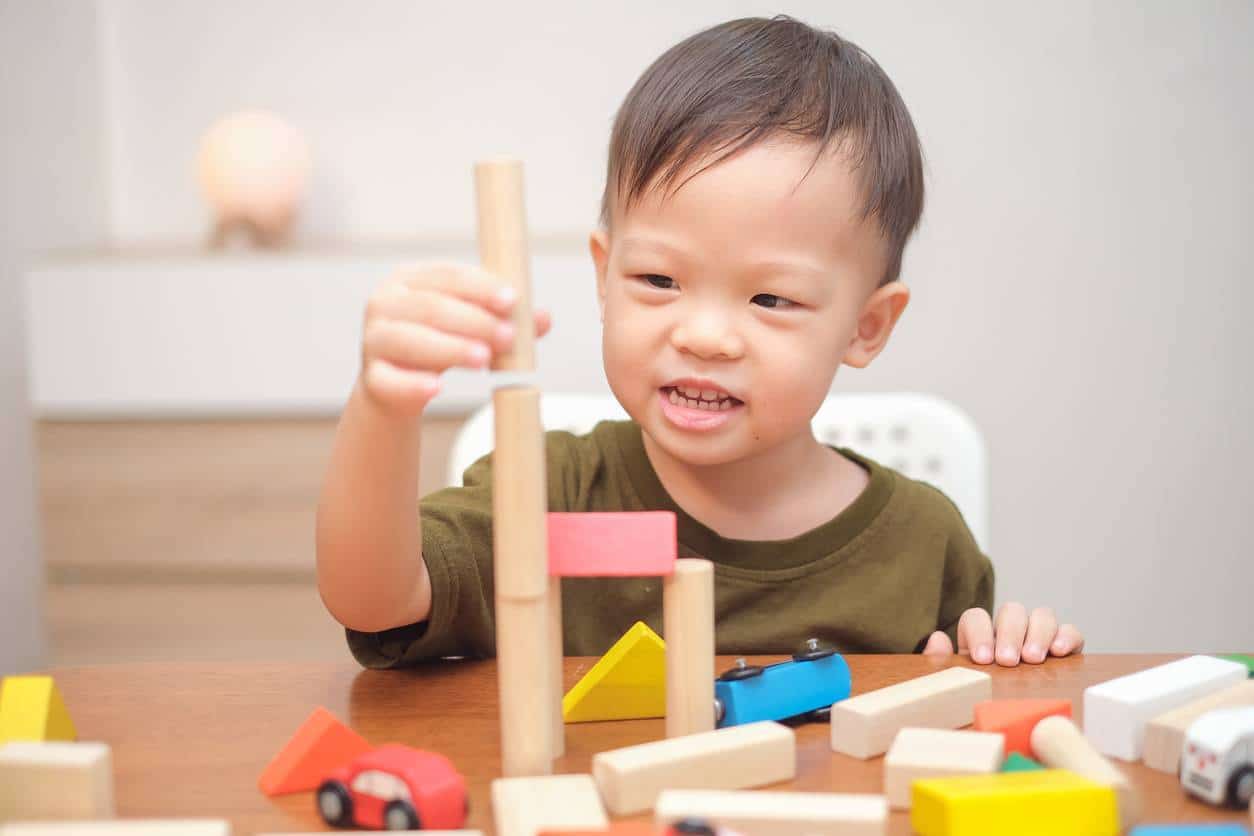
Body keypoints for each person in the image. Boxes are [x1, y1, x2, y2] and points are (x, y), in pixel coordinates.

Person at [317, 16, 1084, 669]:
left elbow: (958, 717)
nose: (706, 335)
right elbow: (374, 602)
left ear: (865, 327)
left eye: (771, 298)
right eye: (657, 280)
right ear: (603, 272)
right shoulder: (548, 489)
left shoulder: (925, 541)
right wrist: (383, 409)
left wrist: (1007, 650)